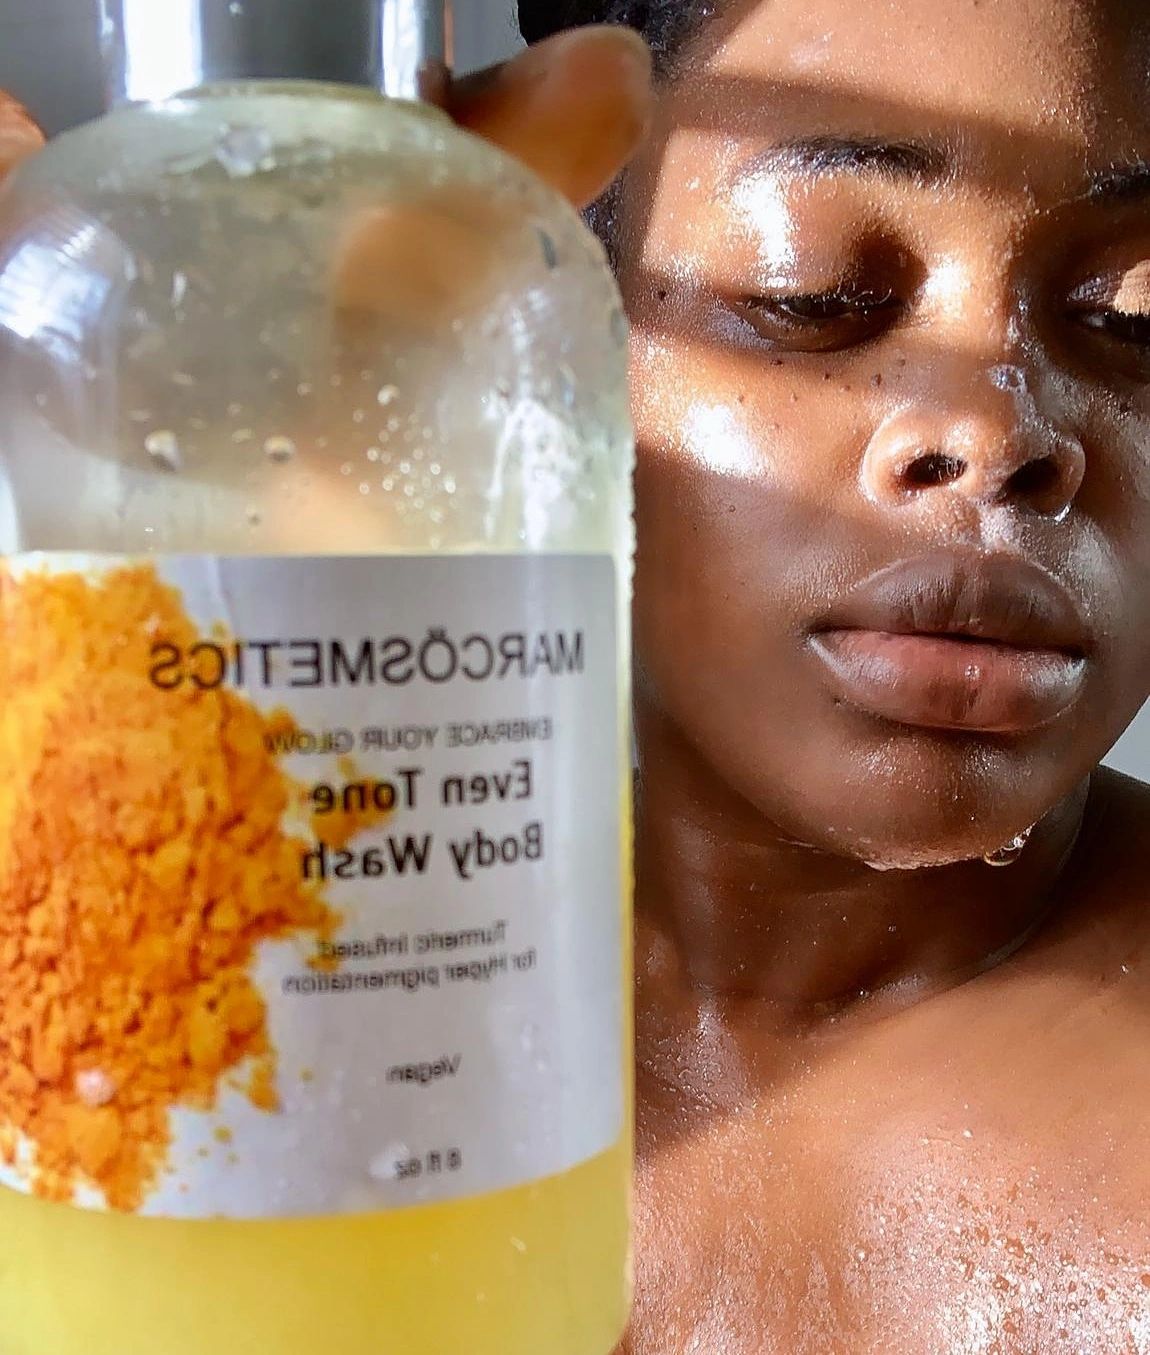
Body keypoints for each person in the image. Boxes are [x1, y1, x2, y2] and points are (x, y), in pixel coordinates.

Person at [6, 0, 1150, 1347]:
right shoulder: (186, 995)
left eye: (1134, 314)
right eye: (810, 295)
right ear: (553, 364)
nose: (996, 428)